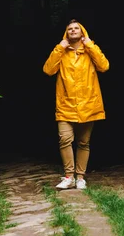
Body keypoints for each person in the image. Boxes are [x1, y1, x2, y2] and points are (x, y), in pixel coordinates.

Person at [43, 19, 109, 190]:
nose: (73, 31)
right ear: (66, 34)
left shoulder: (90, 50)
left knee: (83, 142)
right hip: (66, 104)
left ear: (82, 33)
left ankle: (80, 178)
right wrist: (60, 47)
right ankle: (68, 176)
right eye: (70, 29)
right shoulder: (61, 51)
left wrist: (90, 45)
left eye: (76, 28)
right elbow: (48, 70)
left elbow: (104, 66)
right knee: (65, 139)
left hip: (89, 104)